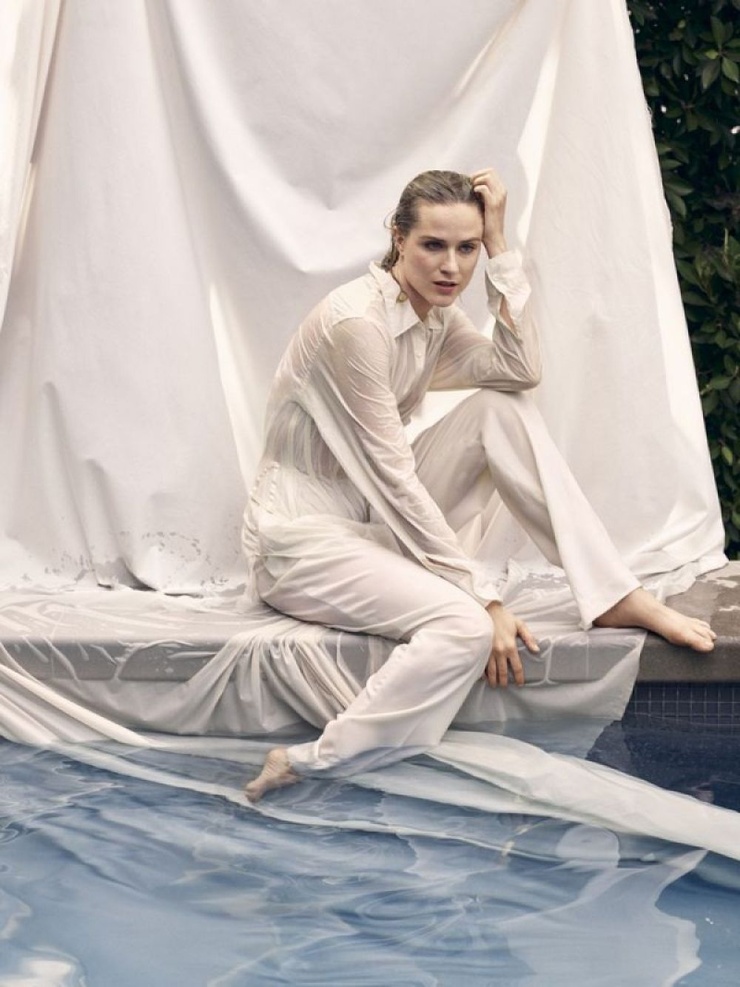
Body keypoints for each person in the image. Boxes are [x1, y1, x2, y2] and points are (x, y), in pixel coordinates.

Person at [243, 168, 716, 801]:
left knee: (500, 409)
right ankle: (310, 762)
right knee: (464, 629)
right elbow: (394, 480)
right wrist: (483, 599)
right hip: (303, 541)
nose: (451, 267)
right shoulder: (357, 324)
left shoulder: (432, 318)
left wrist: (500, 248)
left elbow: (517, 371)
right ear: (397, 238)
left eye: (465, 248)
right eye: (433, 246)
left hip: (371, 519)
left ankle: (609, 593)